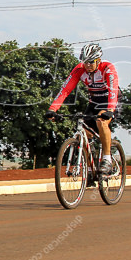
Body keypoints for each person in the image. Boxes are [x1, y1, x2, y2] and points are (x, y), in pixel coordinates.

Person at [47, 43, 119, 179]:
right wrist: (53, 109)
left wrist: (110, 109)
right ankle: (90, 167)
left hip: (111, 101)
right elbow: (65, 90)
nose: (87, 65)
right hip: (94, 101)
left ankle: (107, 159)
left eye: (91, 62)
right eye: (85, 62)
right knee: (82, 134)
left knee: (101, 121)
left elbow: (113, 90)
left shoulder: (107, 68)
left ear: (98, 60)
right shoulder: (79, 70)